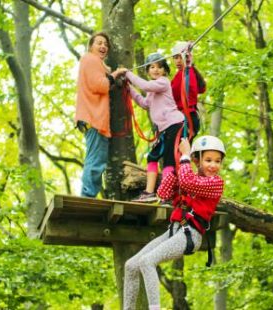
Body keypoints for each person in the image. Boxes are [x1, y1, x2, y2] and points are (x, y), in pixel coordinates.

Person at [123, 135, 225, 310]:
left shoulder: (215, 183)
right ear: (197, 160)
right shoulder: (187, 175)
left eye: (217, 161)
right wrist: (174, 169)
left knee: (147, 262)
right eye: (208, 160)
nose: (213, 165)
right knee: (131, 265)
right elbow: (162, 193)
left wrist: (184, 158)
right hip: (174, 231)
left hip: (190, 234)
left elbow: (189, 182)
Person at [113, 53, 185, 202]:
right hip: (164, 130)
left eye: (159, 67)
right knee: (152, 157)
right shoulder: (153, 91)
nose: (156, 70)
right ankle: (149, 192)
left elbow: (145, 85)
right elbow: (145, 103)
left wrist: (128, 73)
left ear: (165, 70)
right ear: (147, 71)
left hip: (174, 125)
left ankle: (166, 195)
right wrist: (129, 87)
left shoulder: (163, 82)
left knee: (169, 160)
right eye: (152, 67)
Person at [74, 32, 122, 197]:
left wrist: (111, 74)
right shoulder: (90, 59)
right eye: (99, 43)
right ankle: (87, 196)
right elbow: (100, 85)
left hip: (91, 117)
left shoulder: (93, 62)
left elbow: (101, 79)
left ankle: (88, 194)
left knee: (96, 157)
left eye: (105, 44)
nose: (103, 46)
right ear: (91, 46)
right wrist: (115, 75)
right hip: (92, 118)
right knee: (95, 160)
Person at [171, 41, 207, 140]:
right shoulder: (185, 73)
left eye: (180, 57)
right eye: (175, 57)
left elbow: (173, 94)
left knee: (180, 152)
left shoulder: (186, 73)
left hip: (186, 118)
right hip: (188, 118)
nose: (178, 61)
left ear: (187, 58)